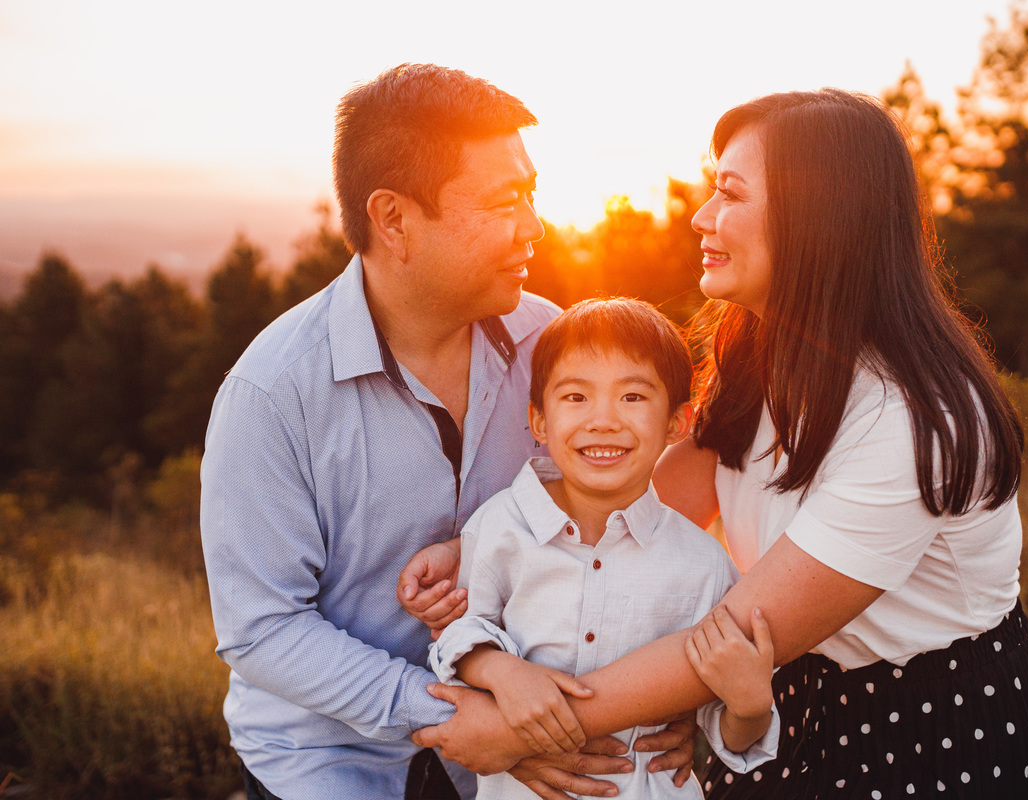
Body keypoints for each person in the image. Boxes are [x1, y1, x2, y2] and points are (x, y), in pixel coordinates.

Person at [402, 89, 1028, 800]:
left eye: (729, 193)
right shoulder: (768, 353)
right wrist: (479, 548)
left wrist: (523, 729)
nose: (700, 217)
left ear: (817, 220)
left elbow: (736, 632)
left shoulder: (908, 421)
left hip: (924, 729)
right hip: (775, 695)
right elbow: (653, 500)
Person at [199, 63, 693, 800]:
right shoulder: (271, 393)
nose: (535, 225)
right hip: (330, 763)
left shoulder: (554, 348)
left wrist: (662, 698)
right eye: (504, 202)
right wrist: (457, 716)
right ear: (394, 219)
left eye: (531, 195)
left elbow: (613, 518)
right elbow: (262, 628)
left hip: (528, 756)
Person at [426, 298, 779, 799]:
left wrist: (748, 708)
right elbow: (457, 636)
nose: (604, 420)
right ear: (540, 421)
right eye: (576, 397)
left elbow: (724, 731)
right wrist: (500, 670)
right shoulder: (501, 529)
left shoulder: (704, 566)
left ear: (679, 422)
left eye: (633, 397)